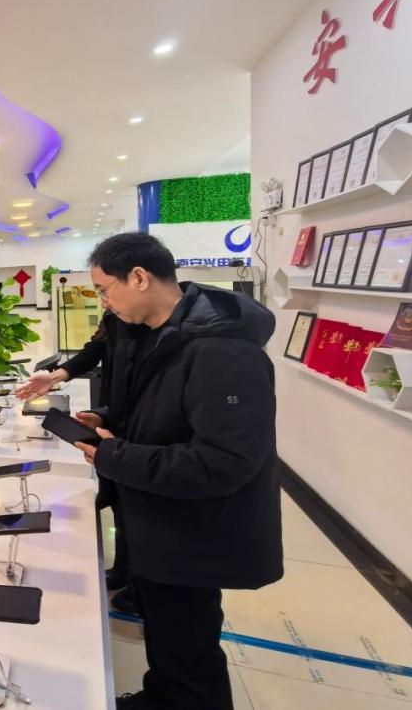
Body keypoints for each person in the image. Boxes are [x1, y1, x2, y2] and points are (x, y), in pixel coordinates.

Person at [71, 232, 283, 710]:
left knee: (190, 648)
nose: (103, 301)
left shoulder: (221, 351)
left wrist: (114, 456)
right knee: (169, 637)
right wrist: (106, 420)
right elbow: (165, 414)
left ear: (139, 277)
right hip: (162, 522)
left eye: (104, 289)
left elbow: (225, 461)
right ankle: (162, 695)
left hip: (193, 533)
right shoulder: (164, 335)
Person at [15, 310, 144, 613]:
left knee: (135, 508)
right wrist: (55, 377)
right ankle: (123, 570)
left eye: (106, 290)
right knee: (118, 501)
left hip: (138, 426)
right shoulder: (115, 317)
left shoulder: (153, 326)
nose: (104, 299)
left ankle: (139, 585)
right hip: (115, 417)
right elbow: (93, 352)